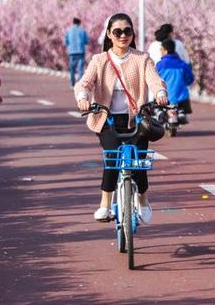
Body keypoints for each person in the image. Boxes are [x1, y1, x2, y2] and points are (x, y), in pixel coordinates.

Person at [74, 13, 168, 224]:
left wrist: (160, 93)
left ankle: (142, 201)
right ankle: (105, 205)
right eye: (117, 31)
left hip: (136, 120)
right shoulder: (99, 61)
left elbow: (154, 80)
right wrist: (83, 97)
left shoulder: (141, 58)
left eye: (127, 31)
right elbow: (85, 83)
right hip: (107, 120)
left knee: (138, 163)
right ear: (109, 34)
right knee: (113, 158)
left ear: (132, 33)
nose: (123, 35)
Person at [156, 39, 194, 122]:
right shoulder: (183, 64)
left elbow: (155, 79)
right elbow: (190, 79)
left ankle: (158, 113)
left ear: (165, 51)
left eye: (161, 49)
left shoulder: (160, 65)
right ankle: (181, 113)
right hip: (181, 97)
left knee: (155, 102)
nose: (160, 51)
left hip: (165, 97)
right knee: (183, 101)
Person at [64, 17, 89, 87]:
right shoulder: (82, 30)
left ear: (73, 22)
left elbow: (65, 42)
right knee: (80, 69)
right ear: (79, 23)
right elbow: (86, 41)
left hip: (72, 52)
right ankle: (80, 84)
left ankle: (72, 83)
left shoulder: (68, 30)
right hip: (81, 51)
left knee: (72, 69)